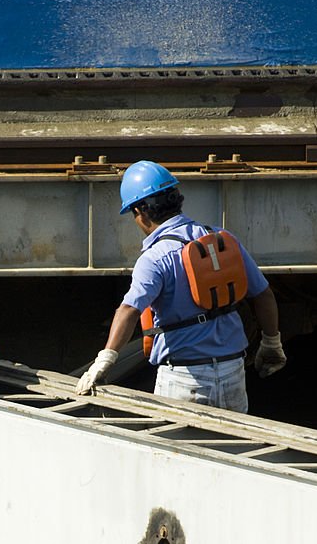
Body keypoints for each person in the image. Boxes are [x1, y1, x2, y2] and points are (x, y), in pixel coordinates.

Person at [76, 161, 286, 412]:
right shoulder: (221, 239)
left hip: (184, 380)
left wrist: (106, 359)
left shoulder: (155, 258)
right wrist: (271, 343)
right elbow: (263, 294)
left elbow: (129, 310)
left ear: (141, 211)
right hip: (233, 372)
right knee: (233, 450)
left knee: (175, 450)